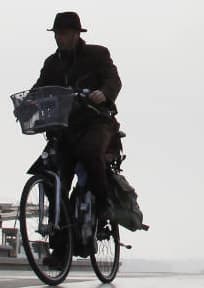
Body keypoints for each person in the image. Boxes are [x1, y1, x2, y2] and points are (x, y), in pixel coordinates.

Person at [33, 11, 122, 267]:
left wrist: (104, 94)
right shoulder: (52, 63)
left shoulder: (97, 54)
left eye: (63, 34)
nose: (59, 39)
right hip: (65, 128)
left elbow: (113, 79)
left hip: (97, 122)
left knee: (89, 152)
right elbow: (40, 87)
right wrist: (29, 102)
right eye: (56, 34)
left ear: (75, 34)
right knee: (51, 173)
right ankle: (61, 250)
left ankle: (103, 205)